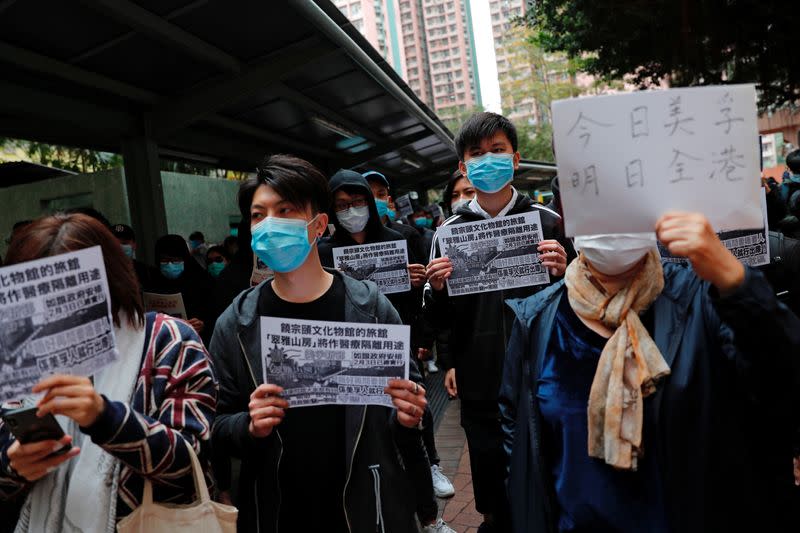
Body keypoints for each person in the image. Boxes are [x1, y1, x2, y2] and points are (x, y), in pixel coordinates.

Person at [500, 213, 800, 533]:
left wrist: (736, 282)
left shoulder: (701, 299)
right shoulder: (537, 318)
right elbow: (518, 430)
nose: (609, 215)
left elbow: (781, 381)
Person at [210, 154, 450, 533]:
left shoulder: (370, 307)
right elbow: (215, 426)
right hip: (278, 509)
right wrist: (248, 426)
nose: (270, 224)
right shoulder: (236, 324)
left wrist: (407, 414)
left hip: (367, 506)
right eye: (259, 215)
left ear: (318, 225)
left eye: (285, 210)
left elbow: (405, 409)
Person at [0, 213, 217, 532]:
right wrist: (13, 464)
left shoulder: (169, 341)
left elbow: (191, 461)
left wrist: (106, 418)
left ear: (108, 277)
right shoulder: (21, 353)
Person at [424, 112, 571, 532]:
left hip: (545, 371)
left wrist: (567, 270)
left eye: (498, 151)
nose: (488, 160)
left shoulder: (549, 224)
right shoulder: (447, 233)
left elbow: (579, 302)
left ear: (516, 158)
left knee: (549, 467)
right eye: (477, 154)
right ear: (463, 167)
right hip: (480, 377)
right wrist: (437, 290)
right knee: (490, 478)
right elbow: (437, 320)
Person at [363, 170, 456, 499]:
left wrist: (422, 339)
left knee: (417, 405)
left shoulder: (404, 236)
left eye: (378, 193)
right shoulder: (331, 247)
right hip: (357, 345)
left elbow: (429, 292)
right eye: (363, 195)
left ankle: (431, 464)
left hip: (400, 334)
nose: (369, 202)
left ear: (388, 197)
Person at [151, 234, 216, 343]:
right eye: (164, 261)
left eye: (176, 260)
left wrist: (203, 324)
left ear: (185, 259)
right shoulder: (153, 283)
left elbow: (217, 314)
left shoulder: (202, 282)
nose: (170, 265)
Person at [110, 223, 156, 290]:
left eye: (124, 243)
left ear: (134, 245)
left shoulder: (147, 272)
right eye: (115, 243)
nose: (120, 247)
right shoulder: (104, 273)